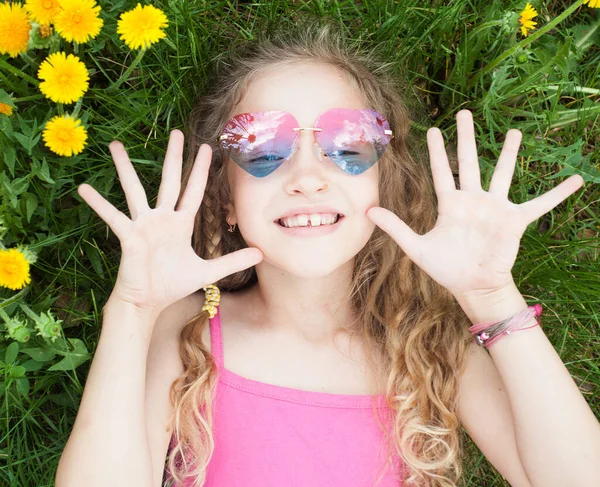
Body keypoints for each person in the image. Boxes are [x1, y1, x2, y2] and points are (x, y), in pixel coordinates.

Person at [55, 18, 597, 487]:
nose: (309, 178)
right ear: (225, 201)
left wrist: (492, 298)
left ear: (386, 185)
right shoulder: (185, 330)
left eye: (349, 147)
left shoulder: (432, 348)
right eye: (265, 151)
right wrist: (132, 311)